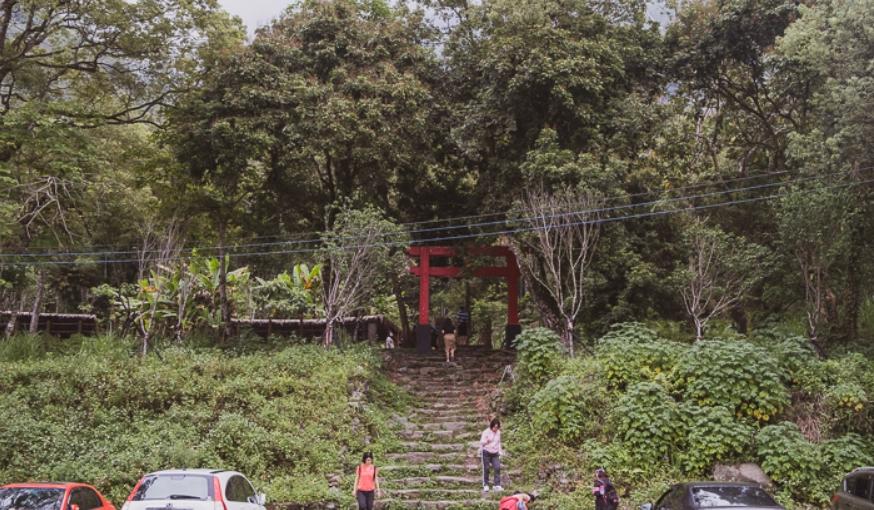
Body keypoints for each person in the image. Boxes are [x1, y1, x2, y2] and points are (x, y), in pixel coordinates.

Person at [480, 418, 503, 492]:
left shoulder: (498, 432)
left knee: (497, 467)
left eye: (497, 427)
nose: (495, 429)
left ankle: (497, 485)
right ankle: (485, 484)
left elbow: (499, 442)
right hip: (486, 451)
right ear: (491, 426)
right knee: (486, 468)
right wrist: (487, 441)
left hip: (495, 453)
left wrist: (499, 451)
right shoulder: (486, 432)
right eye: (494, 427)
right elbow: (481, 442)